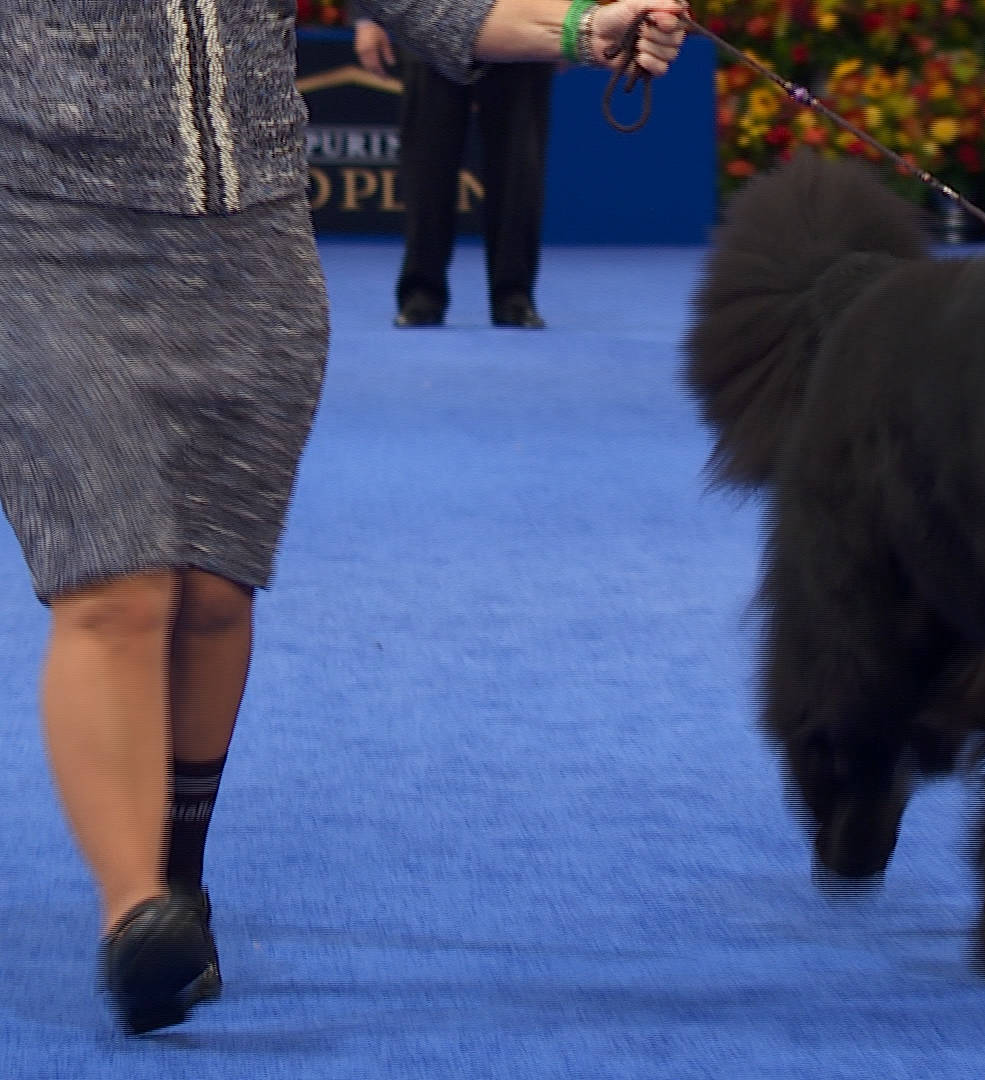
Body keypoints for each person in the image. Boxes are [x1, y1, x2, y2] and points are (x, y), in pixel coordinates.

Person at [0, 0, 685, 1036]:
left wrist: (586, 27)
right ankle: (134, 913)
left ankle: (179, 880)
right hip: (43, 244)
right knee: (117, 581)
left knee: (216, 590)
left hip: (252, 264)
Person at [353, 13, 557, 329]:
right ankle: (421, 294)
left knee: (519, 168)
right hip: (429, 19)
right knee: (426, 165)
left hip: (520, 17)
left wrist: (566, 24)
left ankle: (515, 296)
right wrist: (367, 19)